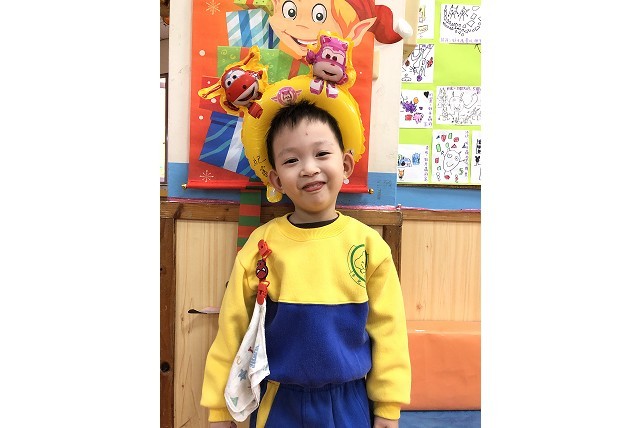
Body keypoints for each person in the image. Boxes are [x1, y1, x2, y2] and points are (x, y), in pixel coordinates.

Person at [200, 38, 410, 427]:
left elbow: (390, 331)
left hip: (349, 404)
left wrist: (388, 407)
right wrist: (217, 408)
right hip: (277, 402)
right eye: (292, 159)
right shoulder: (262, 245)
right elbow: (232, 329)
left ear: (346, 165)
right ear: (276, 179)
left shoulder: (369, 246)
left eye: (322, 154)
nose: (309, 168)